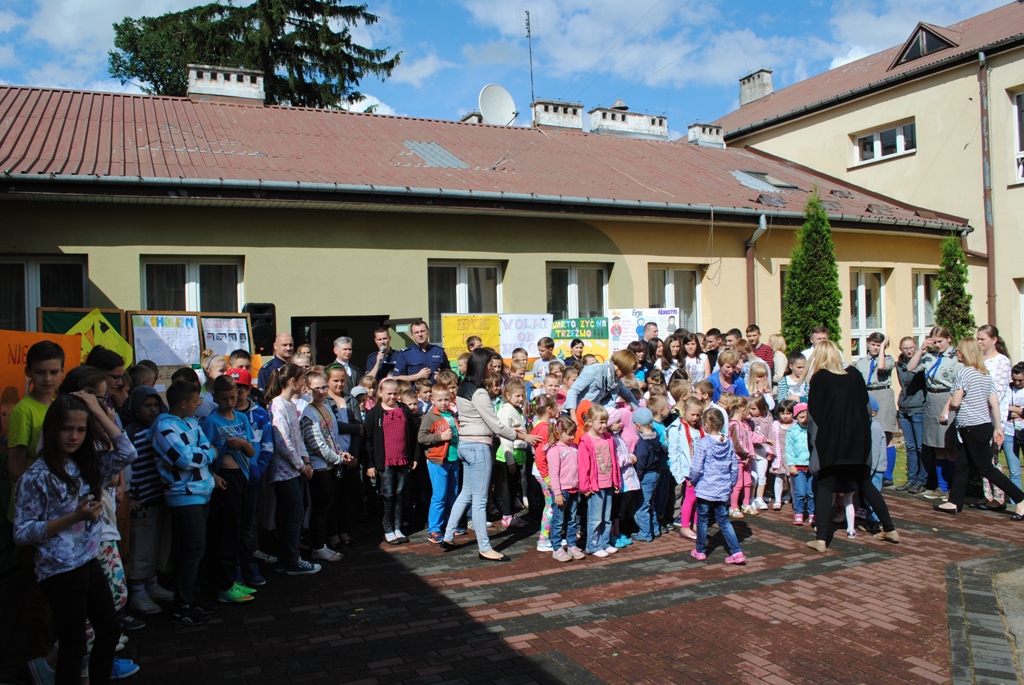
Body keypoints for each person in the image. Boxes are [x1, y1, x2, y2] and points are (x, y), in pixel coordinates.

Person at [14, 392, 137, 685]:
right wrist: (74, 517)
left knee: (109, 631)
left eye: (81, 430)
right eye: (67, 429)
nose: (74, 436)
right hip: (59, 568)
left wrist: (98, 412)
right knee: (74, 644)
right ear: (52, 429)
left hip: (87, 560)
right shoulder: (37, 475)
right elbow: (22, 532)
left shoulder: (85, 464)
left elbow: (127, 453)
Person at [441, 348, 540, 561]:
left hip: (466, 445)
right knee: (479, 499)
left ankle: (448, 536)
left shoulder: (464, 386)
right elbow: (496, 425)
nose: (493, 369)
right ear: (482, 365)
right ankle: (484, 547)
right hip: (478, 446)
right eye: (490, 364)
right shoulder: (479, 392)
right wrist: (522, 436)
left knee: (466, 493)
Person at [806, 340, 899, 552]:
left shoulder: (819, 378)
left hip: (830, 442)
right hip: (858, 440)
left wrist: (813, 445)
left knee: (825, 485)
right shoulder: (855, 374)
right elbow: (866, 409)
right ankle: (890, 528)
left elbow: (813, 416)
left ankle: (821, 539)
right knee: (865, 483)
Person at [152, 380, 218, 624]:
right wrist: (207, 454)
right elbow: (184, 459)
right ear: (183, 403)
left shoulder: (191, 422)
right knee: (192, 549)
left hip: (201, 491)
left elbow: (202, 448)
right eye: (195, 401)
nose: (199, 404)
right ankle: (183, 605)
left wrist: (202, 454)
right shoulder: (164, 427)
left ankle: (191, 596)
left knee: (196, 549)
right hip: (183, 495)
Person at [935, 339, 1024, 519]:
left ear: (965, 353)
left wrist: (950, 405)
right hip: (979, 426)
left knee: (986, 468)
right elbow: (995, 403)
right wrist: (997, 427)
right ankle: (954, 502)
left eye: (959, 350)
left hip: (971, 427)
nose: (957, 353)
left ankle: (1020, 499)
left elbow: (956, 402)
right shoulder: (985, 374)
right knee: (961, 465)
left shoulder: (963, 372)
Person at [201, 375, 258, 603]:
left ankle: (232, 578)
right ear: (215, 397)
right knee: (225, 531)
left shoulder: (242, 418)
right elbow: (204, 454)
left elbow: (251, 452)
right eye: (224, 399)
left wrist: (243, 444)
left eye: (233, 398)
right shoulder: (211, 422)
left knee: (239, 528)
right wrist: (213, 476)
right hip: (224, 479)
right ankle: (224, 584)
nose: (230, 403)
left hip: (241, 476)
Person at [266, 364, 322, 576]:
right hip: (284, 471)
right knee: (294, 513)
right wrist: (301, 464)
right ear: (292, 381)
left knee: (295, 512)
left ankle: (286, 559)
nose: (304, 384)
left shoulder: (289, 405)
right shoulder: (278, 405)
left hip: (296, 470)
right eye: (302, 380)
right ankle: (292, 559)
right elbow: (282, 441)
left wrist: (305, 459)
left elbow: (297, 437)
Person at [124, 385, 174, 616]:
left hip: (160, 496)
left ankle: (152, 586)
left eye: (156, 405)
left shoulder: (161, 428)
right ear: (136, 408)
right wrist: (129, 498)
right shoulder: (130, 434)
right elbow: (125, 469)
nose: (153, 410)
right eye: (147, 406)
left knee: (157, 546)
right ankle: (138, 593)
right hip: (141, 501)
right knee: (141, 549)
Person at [228, 368, 275, 585]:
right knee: (232, 525)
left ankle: (248, 564)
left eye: (241, 389)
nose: (237, 394)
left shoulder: (260, 414)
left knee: (249, 524)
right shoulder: (221, 415)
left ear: (248, 389)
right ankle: (234, 567)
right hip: (230, 480)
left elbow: (267, 444)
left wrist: (259, 468)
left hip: (253, 479)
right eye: (233, 389)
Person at [299, 371, 350, 562]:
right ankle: (318, 546)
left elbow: (332, 436)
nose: (321, 391)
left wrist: (340, 453)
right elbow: (315, 444)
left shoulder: (327, 406)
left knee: (328, 505)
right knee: (321, 507)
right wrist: (338, 459)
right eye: (317, 388)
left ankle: (323, 544)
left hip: (332, 464)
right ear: (308, 389)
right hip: (320, 466)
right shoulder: (308, 412)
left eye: (324, 387)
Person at [907, 326, 960, 500]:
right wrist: (922, 349)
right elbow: (910, 367)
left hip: (947, 399)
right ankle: (941, 486)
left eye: (940, 341)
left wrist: (949, 406)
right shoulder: (929, 356)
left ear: (949, 339)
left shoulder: (955, 357)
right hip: (931, 399)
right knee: (937, 445)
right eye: (935, 342)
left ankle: (953, 487)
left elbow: (957, 384)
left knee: (949, 445)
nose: (937, 345)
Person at [364, 379, 420, 544]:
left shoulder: (404, 410)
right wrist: (370, 464)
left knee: (400, 494)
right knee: (388, 494)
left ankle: (397, 527)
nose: (393, 397)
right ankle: (387, 528)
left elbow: (413, 435)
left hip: (403, 459)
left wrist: (414, 457)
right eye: (389, 393)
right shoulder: (375, 413)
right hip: (385, 461)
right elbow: (368, 440)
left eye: (395, 393)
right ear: (380, 393)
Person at [688, 407, 745, 564]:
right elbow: (734, 466)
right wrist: (731, 483)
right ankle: (737, 552)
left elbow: (696, 467)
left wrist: (693, 479)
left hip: (705, 489)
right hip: (722, 489)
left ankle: (700, 550)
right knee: (724, 521)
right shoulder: (728, 443)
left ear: (706, 424)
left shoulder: (703, 443)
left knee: (702, 520)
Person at [977, 325, 1017, 508]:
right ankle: (987, 494)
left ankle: (1000, 496)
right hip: (978, 415)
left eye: (982, 339)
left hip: (993, 416)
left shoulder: (1002, 361)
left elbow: (998, 391)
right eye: (977, 339)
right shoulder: (979, 360)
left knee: (993, 457)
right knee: (983, 457)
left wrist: (983, 404)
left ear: (993, 340)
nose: (979, 342)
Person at [418, 384, 460, 544]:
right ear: (432, 400)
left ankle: (451, 525)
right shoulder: (430, 417)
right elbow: (422, 438)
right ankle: (434, 529)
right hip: (437, 460)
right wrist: (440, 437)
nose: (443, 403)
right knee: (439, 495)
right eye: (440, 400)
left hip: (453, 459)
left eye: (446, 399)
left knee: (452, 494)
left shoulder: (452, 414)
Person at [578, 404, 622, 558]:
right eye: (601, 422)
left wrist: (617, 482)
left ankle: (605, 542)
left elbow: (614, 462)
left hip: (608, 483)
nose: (604, 425)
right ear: (590, 422)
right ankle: (593, 545)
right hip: (595, 486)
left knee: (607, 518)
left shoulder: (608, 439)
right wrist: (585, 487)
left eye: (605, 422)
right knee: (595, 518)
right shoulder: (586, 441)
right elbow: (583, 466)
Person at [856, 333, 897, 485]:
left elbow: (881, 367)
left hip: (882, 393)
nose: (875, 348)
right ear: (867, 343)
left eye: (879, 345)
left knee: (885, 434)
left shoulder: (888, 359)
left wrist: (883, 351)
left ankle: (887, 475)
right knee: (868, 433)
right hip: (867, 395)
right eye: (873, 344)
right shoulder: (861, 362)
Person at [547, 417, 583, 562]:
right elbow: (553, 473)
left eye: (573, 434)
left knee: (572, 520)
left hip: (574, 489)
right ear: (558, 433)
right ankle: (556, 547)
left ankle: (572, 544)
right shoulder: (554, 450)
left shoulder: (575, 447)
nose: (572, 437)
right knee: (558, 521)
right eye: (569, 434)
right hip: (562, 491)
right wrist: (557, 492)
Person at [895, 337, 928, 494]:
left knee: (920, 446)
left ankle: (922, 480)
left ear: (916, 347)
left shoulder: (921, 363)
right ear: (901, 349)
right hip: (904, 407)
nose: (909, 351)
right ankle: (911, 479)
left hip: (918, 407)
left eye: (911, 347)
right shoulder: (899, 365)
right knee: (910, 446)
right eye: (905, 348)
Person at [564, 350, 639, 411]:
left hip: (590, 414)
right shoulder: (594, 370)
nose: (624, 376)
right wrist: (573, 416)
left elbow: (628, 395)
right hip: (573, 412)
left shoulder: (615, 381)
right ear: (621, 367)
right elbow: (573, 391)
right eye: (625, 372)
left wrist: (638, 411)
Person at [630, 408, 662, 543]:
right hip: (655, 473)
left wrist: (636, 476)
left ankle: (645, 533)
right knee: (650, 504)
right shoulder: (656, 437)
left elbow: (641, 462)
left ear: (638, 425)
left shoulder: (643, 443)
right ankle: (655, 529)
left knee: (642, 505)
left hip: (645, 476)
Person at [787, 403, 813, 526]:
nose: (805, 419)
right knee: (800, 492)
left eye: (807, 416)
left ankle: (812, 512)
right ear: (795, 417)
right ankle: (799, 512)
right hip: (798, 467)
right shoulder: (792, 431)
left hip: (812, 466)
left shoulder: (813, 429)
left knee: (812, 492)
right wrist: (791, 464)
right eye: (801, 417)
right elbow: (789, 449)